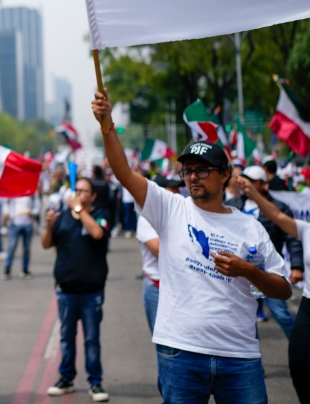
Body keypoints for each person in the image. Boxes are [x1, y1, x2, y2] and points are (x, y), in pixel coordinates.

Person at [92, 89, 291, 403]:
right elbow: (123, 172)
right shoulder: (170, 207)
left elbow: (283, 289)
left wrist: (248, 272)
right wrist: (107, 124)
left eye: (203, 169)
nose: (193, 177)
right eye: (187, 170)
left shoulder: (250, 227)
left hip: (239, 356)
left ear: (225, 175)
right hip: (180, 352)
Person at [237, 176, 310, 403]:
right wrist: (255, 194)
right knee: (299, 364)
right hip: (309, 305)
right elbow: (277, 216)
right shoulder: (307, 229)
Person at [41, 178, 111, 402]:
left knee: (91, 338)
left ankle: (95, 382)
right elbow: (45, 244)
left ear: (93, 195)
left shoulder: (101, 214)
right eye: (77, 190)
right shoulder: (62, 217)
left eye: (84, 191)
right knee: (66, 337)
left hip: (92, 290)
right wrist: (49, 226)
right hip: (66, 289)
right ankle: (66, 378)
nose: (79, 194)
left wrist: (79, 210)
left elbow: (97, 233)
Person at [224, 165, 302, 338]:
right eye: (243, 179)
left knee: (281, 314)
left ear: (261, 184)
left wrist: (297, 266)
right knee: (246, 318)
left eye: (251, 181)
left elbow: (292, 238)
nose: (245, 183)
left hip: (266, 273)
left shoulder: (278, 208)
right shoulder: (231, 205)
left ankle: (302, 350)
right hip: (239, 274)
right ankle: (254, 361)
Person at [136, 175, 183, 334]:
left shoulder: (183, 214)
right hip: (157, 287)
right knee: (164, 343)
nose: (178, 192)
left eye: (179, 188)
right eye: (173, 189)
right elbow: (159, 251)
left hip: (181, 286)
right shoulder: (146, 218)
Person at [2, 193, 40, 279]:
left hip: (27, 223)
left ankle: (25, 269)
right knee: (11, 247)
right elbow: (5, 202)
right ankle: (7, 269)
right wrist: (7, 213)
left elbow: (37, 205)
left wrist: (33, 212)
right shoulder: (13, 189)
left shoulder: (31, 191)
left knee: (26, 248)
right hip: (15, 223)